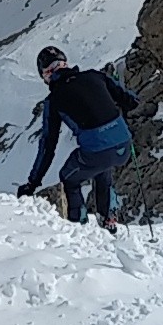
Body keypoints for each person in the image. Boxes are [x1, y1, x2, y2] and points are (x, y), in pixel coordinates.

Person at [16, 46, 139, 231]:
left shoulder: (54, 100)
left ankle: (78, 226)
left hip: (96, 153)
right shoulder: (95, 76)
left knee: (69, 177)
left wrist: (32, 183)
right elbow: (130, 100)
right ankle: (108, 218)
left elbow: (48, 146)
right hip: (124, 146)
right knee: (102, 167)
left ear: (47, 74)